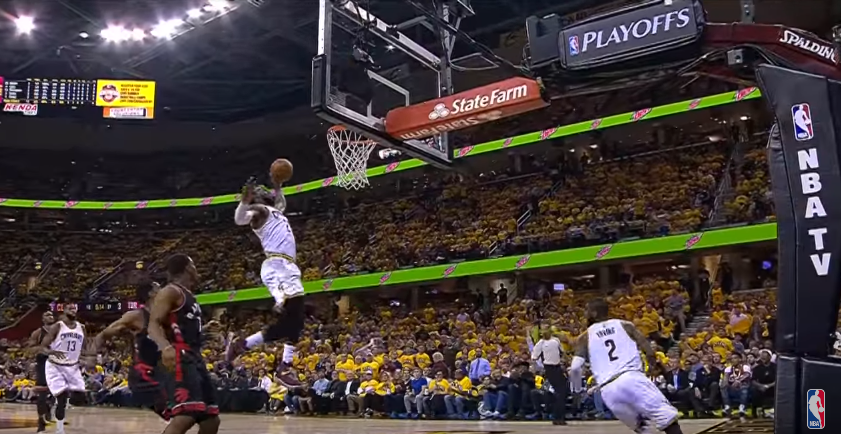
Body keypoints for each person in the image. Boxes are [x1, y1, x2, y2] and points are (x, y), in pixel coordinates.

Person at [225, 176, 304, 387]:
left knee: (294, 322)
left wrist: (278, 187)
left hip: (287, 266)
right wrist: (245, 201)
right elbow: (240, 220)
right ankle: (283, 366)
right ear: (255, 198)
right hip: (277, 265)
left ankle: (245, 345)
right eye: (259, 189)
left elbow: (280, 203)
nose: (263, 189)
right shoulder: (258, 211)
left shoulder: (273, 210)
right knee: (291, 311)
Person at [569, 299, 684, 434]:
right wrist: (652, 366)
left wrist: (576, 390)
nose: (585, 314)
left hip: (608, 391)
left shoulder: (584, 337)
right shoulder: (625, 325)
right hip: (632, 378)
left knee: (642, 428)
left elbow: (575, 367)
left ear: (594, 313)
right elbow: (648, 349)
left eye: (587, 311)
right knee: (667, 418)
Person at [147, 254, 220, 434]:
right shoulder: (170, 291)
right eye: (194, 265)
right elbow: (153, 323)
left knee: (211, 420)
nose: (196, 269)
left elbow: (185, 332)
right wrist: (165, 347)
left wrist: (205, 333)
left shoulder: (189, 296)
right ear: (188, 267)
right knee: (186, 415)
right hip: (180, 358)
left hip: (195, 358)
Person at [93, 281, 168, 421]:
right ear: (151, 293)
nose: (163, 291)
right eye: (159, 288)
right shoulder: (136, 316)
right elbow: (105, 333)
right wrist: (93, 355)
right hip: (144, 375)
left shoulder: (163, 317)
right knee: (178, 411)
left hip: (160, 371)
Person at [39, 304, 92, 434]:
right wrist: (52, 352)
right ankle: (60, 430)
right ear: (64, 310)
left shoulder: (82, 328)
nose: (73, 310)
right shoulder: (58, 326)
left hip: (72, 366)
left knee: (80, 398)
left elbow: (84, 347)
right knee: (62, 398)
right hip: (55, 365)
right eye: (70, 308)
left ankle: (54, 400)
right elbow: (43, 347)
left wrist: (85, 358)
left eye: (75, 308)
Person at [531, 326, 567, 425]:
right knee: (559, 392)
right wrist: (537, 368)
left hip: (558, 367)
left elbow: (562, 352)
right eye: (542, 331)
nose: (544, 333)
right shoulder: (540, 343)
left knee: (563, 391)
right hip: (549, 368)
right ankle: (557, 417)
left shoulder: (556, 340)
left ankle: (560, 416)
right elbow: (534, 357)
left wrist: (565, 359)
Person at [28, 311, 55, 433]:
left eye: (51, 315)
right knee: (42, 392)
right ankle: (41, 423)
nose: (50, 317)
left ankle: (49, 408)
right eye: (47, 315)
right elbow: (31, 348)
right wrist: (43, 350)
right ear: (42, 319)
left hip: (57, 364)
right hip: (43, 364)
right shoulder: (38, 333)